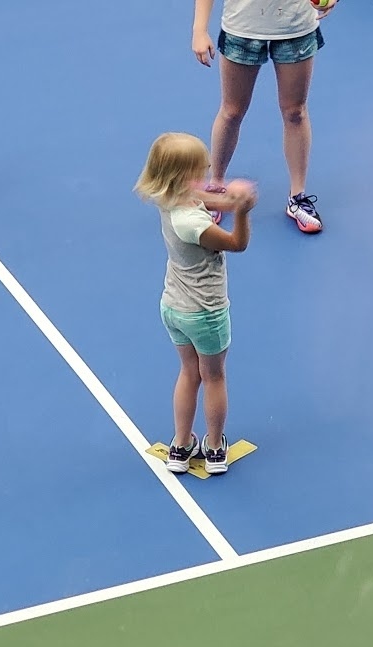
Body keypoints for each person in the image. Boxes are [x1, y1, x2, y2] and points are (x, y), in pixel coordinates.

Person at [135, 132, 257, 475]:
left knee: (189, 374)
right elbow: (236, 243)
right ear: (183, 174)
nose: (205, 174)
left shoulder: (167, 196)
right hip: (205, 313)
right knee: (214, 377)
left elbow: (200, 195)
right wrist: (243, 211)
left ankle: (180, 444)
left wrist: (229, 200)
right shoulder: (193, 224)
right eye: (199, 170)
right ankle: (215, 447)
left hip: (173, 306)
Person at [191, 0, 338, 235]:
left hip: (296, 28)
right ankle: (216, 187)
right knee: (232, 112)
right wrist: (199, 30)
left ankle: (297, 197)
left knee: (295, 112)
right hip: (242, 28)